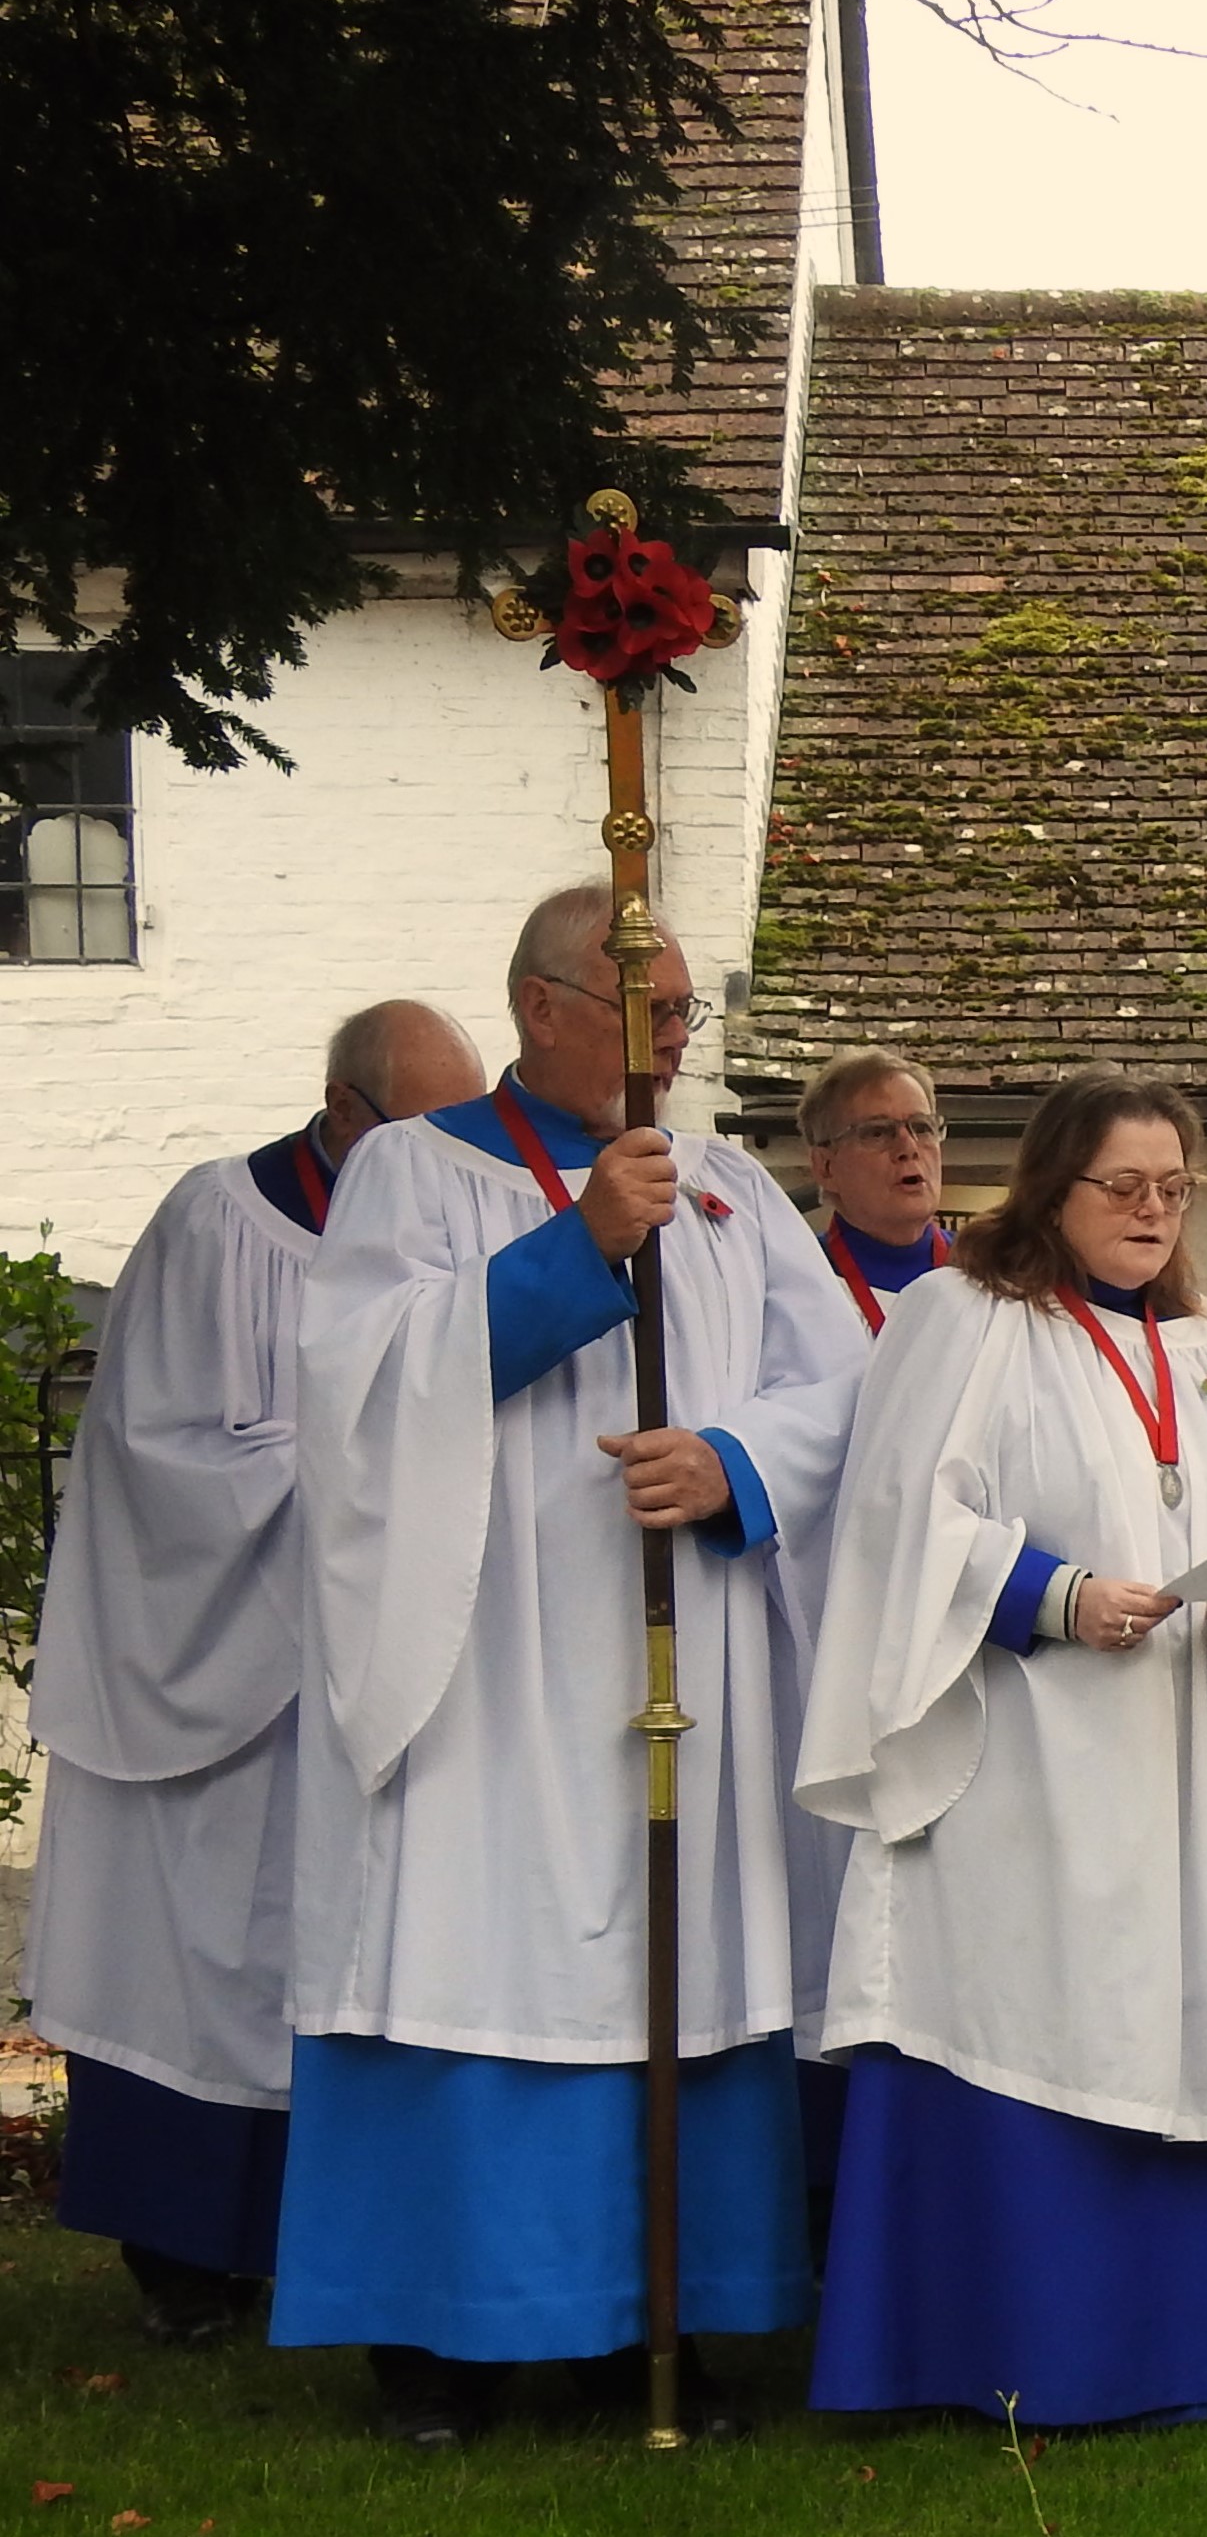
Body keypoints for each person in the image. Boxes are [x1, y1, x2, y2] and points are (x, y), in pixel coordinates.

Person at [279, 886, 866, 2445]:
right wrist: (577, 1247)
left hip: (684, 1644)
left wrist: (732, 1458)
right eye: (646, 1011)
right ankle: (441, 2341)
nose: (673, 1043)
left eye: (683, 1014)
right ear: (543, 1007)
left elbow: (846, 1388)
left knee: (679, 1962)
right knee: (470, 1952)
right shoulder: (416, 1169)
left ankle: (647, 2326)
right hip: (488, 1665)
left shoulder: (728, 1186)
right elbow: (359, 1385)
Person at [792, 1069, 1207, 2426]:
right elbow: (902, 1515)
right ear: (1048, 1186)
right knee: (1029, 2006)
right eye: (1120, 1184)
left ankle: (1202, 2360)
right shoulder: (964, 1316)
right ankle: (1011, 2346)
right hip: (1026, 1758)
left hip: (1187, 1757)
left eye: (1172, 1186)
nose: (1151, 1210)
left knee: (1190, 2016)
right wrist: (1052, 1594)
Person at [26, 1001, 483, 2345]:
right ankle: (182, 2256)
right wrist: (361, 1477)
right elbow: (159, 1449)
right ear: (341, 1110)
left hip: (367, 1671)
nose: (439, 1156)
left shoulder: (447, 1240)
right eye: (418, 1128)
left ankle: (329, 2236)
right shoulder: (217, 1224)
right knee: (194, 1959)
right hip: (217, 1668)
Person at [799, 1046, 950, 1333]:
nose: (909, 1147)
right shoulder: (795, 1284)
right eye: (878, 1132)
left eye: (922, 1127)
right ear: (825, 1167)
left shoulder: (991, 1277)